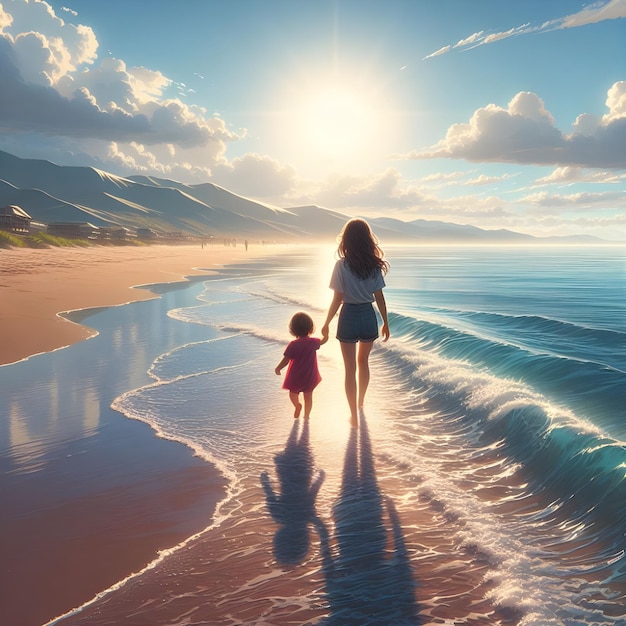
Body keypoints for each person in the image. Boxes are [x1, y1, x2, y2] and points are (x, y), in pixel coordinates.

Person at [321, 218, 389, 425]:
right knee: (363, 363)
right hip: (368, 316)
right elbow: (379, 297)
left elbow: (337, 298)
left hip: (348, 315)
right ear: (367, 239)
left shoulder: (341, 265)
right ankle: (360, 402)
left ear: (347, 239)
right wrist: (386, 322)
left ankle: (353, 414)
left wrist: (326, 323)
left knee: (350, 368)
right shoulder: (373, 266)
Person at [276, 311, 326, 419]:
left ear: (293, 329)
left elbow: (286, 359)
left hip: (296, 375)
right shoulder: (313, 342)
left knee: (293, 393)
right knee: (308, 396)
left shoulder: (293, 345)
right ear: (311, 328)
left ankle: (297, 405)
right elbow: (323, 341)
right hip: (310, 374)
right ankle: (306, 416)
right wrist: (326, 333)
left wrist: (278, 368)